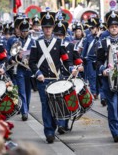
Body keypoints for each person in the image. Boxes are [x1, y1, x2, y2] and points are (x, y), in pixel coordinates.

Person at [29, 8, 78, 144]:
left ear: (53, 27)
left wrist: (72, 68)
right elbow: (31, 62)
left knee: (55, 106)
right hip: (42, 80)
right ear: (42, 28)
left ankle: (55, 126)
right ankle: (49, 132)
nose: (47, 30)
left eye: (50, 27)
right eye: (45, 27)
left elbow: (66, 59)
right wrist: (37, 73)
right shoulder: (36, 43)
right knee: (45, 106)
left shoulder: (58, 42)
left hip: (56, 79)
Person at [53, 17, 84, 134]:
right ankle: (60, 124)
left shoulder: (70, 46)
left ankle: (64, 124)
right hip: (56, 77)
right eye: (56, 35)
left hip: (68, 76)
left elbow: (78, 59)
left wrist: (80, 66)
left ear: (64, 35)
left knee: (66, 100)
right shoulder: (52, 46)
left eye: (60, 35)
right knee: (58, 101)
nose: (58, 37)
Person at [97, 10, 118, 142]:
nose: (114, 29)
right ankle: (116, 132)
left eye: (116, 26)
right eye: (111, 27)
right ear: (108, 28)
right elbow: (98, 61)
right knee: (112, 106)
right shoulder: (103, 42)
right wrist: (103, 70)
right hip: (108, 79)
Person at [7, 15, 34, 121]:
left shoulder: (33, 41)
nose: (24, 33)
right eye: (22, 31)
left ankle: (26, 107)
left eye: (26, 31)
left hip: (29, 68)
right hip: (19, 68)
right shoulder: (14, 41)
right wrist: (13, 58)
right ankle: (24, 111)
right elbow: (8, 54)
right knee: (21, 90)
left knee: (28, 91)